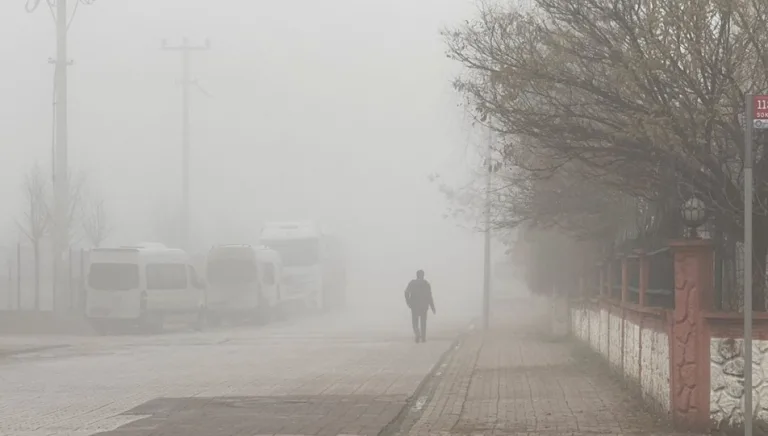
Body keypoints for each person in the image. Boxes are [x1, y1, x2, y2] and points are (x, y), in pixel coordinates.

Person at [404, 270, 435, 343]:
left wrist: (408, 302)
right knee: (423, 322)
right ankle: (423, 337)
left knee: (415, 322)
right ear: (423, 275)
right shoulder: (426, 283)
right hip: (424, 306)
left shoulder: (412, 283)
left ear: (417, 275)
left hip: (414, 306)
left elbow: (406, 292)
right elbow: (429, 296)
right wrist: (432, 306)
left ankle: (417, 333)